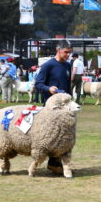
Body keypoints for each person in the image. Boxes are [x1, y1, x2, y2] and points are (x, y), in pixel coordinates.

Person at [35, 39, 72, 174]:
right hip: (50, 107)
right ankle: (53, 163)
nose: (68, 55)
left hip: (64, 107)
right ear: (59, 50)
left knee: (63, 135)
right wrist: (48, 88)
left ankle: (55, 163)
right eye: (66, 52)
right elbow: (38, 83)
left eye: (69, 52)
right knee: (52, 135)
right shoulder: (48, 65)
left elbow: (68, 85)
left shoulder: (68, 66)